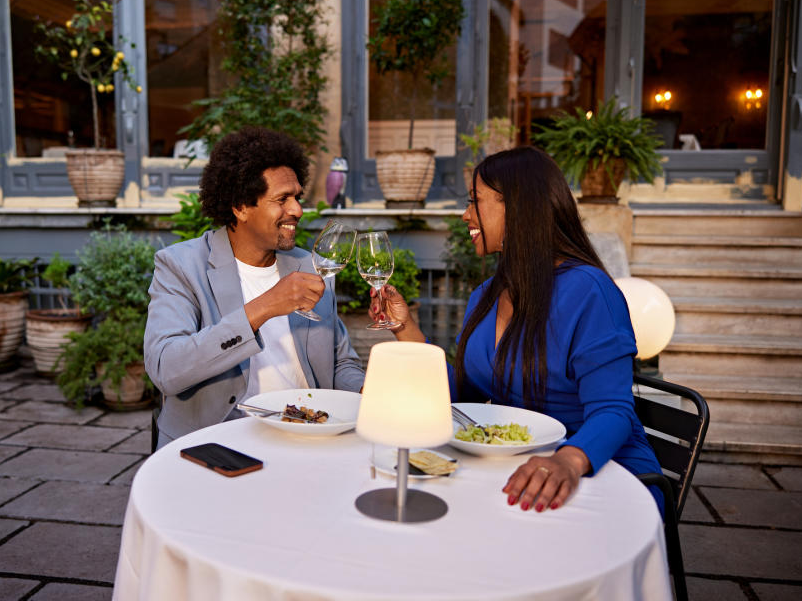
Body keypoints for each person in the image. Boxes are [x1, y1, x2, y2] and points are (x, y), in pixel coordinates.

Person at [373, 146, 662, 513]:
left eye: (475, 201)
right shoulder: (486, 296)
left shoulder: (589, 292)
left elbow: (613, 410)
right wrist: (404, 328)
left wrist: (567, 461)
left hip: (599, 471)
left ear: (517, 207)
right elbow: (463, 399)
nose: (465, 215)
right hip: (517, 466)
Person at [145, 127, 365, 449]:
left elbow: (341, 362)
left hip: (308, 436)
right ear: (240, 207)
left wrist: (365, 394)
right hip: (219, 444)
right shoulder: (181, 266)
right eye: (282, 199)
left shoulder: (309, 267)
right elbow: (166, 368)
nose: (297, 210)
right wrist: (264, 307)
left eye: (297, 197)